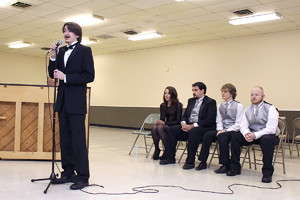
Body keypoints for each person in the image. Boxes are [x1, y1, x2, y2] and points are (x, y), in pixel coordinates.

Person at [48, 22, 95, 190]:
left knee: (78, 140)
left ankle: (83, 176)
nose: (65, 33)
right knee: (65, 139)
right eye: (64, 31)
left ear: (77, 34)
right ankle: (68, 172)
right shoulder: (61, 52)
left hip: (76, 102)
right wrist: (53, 57)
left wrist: (66, 77)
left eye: (69, 30)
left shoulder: (85, 51)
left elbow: (89, 76)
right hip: (62, 102)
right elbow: (52, 73)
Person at [226, 86, 279, 183]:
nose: (254, 97)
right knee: (235, 137)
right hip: (252, 134)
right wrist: (247, 134)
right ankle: (235, 167)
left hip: (268, 135)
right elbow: (243, 125)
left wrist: (255, 135)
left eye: (257, 95)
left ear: (263, 96)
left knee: (267, 140)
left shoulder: (271, 109)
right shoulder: (247, 109)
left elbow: (271, 129)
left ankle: (267, 172)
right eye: (252, 95)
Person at [160, 82, 217, 170]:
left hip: (202, 128)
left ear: (202, 91)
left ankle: (190, 161)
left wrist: (192, 126)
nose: (193, 92)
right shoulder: (191, 100)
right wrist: (183, 123)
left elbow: (209, 120)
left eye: (196, 90)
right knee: (172, 130)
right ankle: (170, 157)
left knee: (194, 132)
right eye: (193, 90)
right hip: (189, 126)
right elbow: (185, 115)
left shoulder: (210, 102)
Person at [196, 83, 243, 173]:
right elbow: (219, 120)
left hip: (233, 130)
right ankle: (203, 161)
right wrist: (220, 129)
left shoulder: (239, 106)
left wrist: (225, 131)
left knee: (222, 137)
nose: (222, 94)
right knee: (207, 135)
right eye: (222, 92)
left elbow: (238, 124)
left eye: (225, 92)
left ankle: (225, 164)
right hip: (222, 129)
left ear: (231, 93)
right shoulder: (220, 105)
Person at [151, 86, 183, 160]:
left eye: (168, 93)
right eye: (165, 93)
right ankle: (157, 149)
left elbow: (178, 120)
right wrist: (160, 122)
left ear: (173, 94)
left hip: (175, 126)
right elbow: (162, 119)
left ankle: (168, 150)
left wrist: (165, 123)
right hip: (166, 125)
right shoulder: (163, 105)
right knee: (154, 127)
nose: (166, 95)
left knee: (159, 127)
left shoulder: (178, 105)